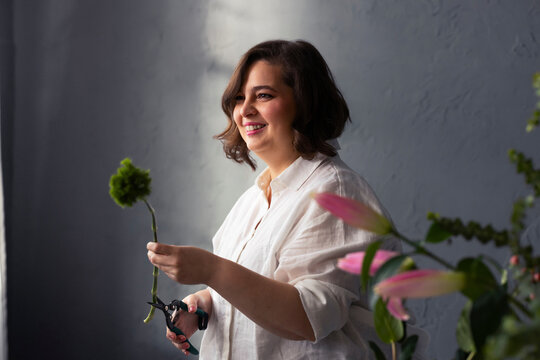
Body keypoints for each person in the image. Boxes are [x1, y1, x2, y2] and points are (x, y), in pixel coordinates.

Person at [147, 40, 403, 359]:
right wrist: (202, 305)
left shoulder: (336, 194)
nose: (245, 110)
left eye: (263, 95)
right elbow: (248, 293)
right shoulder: (253, 200)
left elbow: (308, 319)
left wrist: (211, 269)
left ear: (305, 103)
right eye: (239, 98)